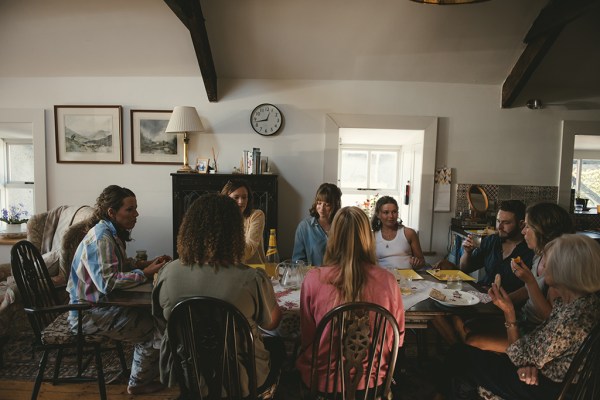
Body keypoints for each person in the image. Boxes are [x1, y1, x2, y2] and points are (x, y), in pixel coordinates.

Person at [439, 234, 600, 400]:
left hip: (546, 389)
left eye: (547, 262)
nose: (543, 267)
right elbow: (539, 349)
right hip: (541, 372)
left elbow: (520, 356)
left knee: (458, 356)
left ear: (565, 270)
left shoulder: (572, 320)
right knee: (463, 359)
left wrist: (509, 312)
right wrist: (530, 364)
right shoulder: (582, 303)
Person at [153, 193, 283, 398]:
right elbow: (271, 324)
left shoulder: (167, 273)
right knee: (279, 347)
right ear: (235, 233)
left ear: (189, 228)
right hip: (241, 379)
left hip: (189, 375)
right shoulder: (250, 278)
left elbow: (162, 322)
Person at [67, 185, 171, 395]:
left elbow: (117, 266)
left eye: (136, 208)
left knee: (154, 313)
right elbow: (108, 282)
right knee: (155, 327)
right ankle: (138, 383)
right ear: (112, 212)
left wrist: (145, 264)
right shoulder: (101, 239)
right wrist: (146, 273)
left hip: (98, 307)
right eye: (130, 209)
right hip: (87, 314)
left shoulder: (109, 233)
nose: (136, 214)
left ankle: (151, 371)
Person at [296, 206, 405, 393]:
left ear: (333, 237)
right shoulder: (388, 280)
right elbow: (397, 338)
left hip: (324, 381)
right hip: (372, 379)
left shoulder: (314, 279)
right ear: (368, 237)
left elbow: (307, 336)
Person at [458, 202, 575, 352]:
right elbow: (527, 290)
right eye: (498, 221)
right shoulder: (539, 256)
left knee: (471, 337)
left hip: (533, 328)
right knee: (466, 325)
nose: (524, 231)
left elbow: (550, 320)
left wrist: (525, 286)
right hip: (521, 317)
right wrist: (499, 301)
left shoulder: (558, 266)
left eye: (528, 227)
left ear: (542, 231)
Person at [460, 200, 534, 293]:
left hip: (507, 302)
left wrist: (499, 298)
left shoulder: (530, 249)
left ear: (521, 224)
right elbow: (465, 268)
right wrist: (467, 252)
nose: (499, 227)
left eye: (506, 223)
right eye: (498, 221)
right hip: (482, 293)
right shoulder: (492, 240)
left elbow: (530, 289)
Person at [292, 183, 342, 266]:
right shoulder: (304, 227)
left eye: (327, 205)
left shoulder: (343, 226)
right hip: (313, 276)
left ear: (335, 205)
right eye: (319, 203)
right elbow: (297, 261)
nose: (321, 208)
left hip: (339, 276)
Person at [371, 196, 425, 269]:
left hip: (407, 278)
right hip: (383, 278)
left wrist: (417, 262)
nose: (391, 216)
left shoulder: (409, 233)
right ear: (378, 214)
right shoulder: (372, 236)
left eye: (394, 212)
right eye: (386, 212)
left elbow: (421, 261)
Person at [221, 179, 266, 264]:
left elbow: (249, 251)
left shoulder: (257, 215)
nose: (241, 202)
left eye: (244, 197)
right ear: (226, 199)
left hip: (254, 269)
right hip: (228, 269)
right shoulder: (220, 218)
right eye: (236, 197)